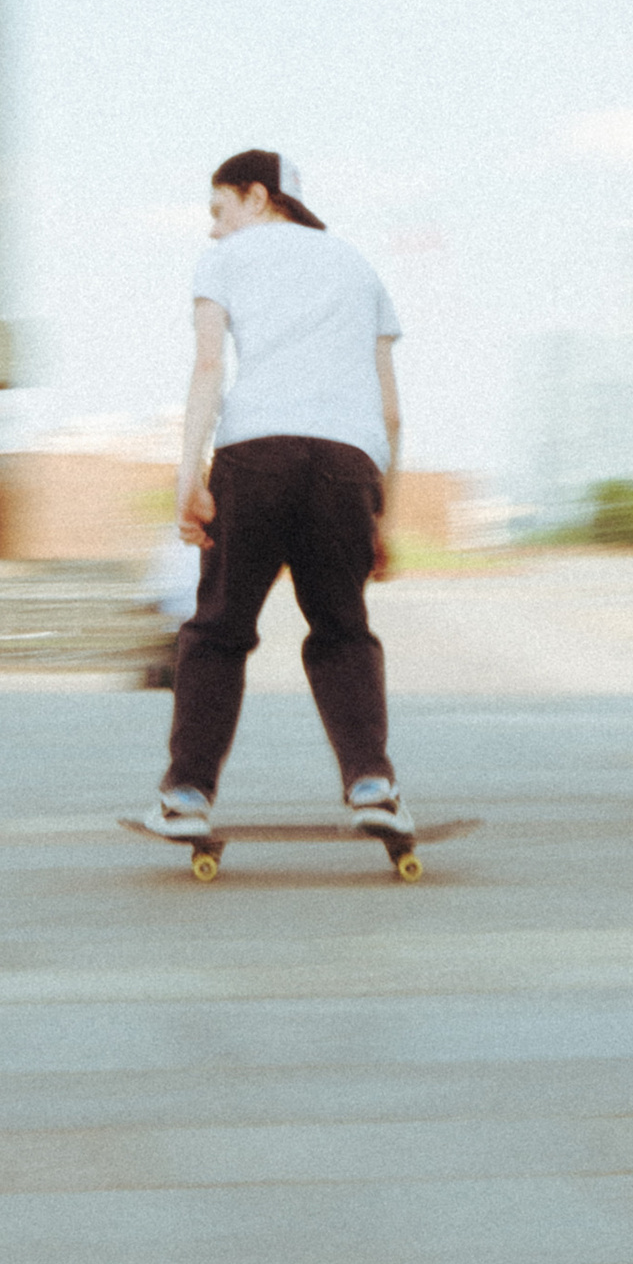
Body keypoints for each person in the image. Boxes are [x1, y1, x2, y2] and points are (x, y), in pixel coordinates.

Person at [145, 147, 409, 844]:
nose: (212, 230)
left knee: (218, 631)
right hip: (348, 462)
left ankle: (187, 795)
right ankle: (373, 785)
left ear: (257, 197)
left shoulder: (226, 262)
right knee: (343, 631)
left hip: (256, 452)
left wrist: (189, 479)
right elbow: (390, 412)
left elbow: (208, 367)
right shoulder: (357, 266)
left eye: (219, 211)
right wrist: (383, 513)